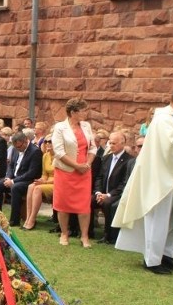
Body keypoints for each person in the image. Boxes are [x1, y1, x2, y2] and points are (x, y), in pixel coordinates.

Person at [113, 85, 173, 275]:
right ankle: (152, 259)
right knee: (158, 219)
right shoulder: (163, 120)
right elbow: (171, 147)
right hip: (159, 178)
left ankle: (167, 254)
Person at [52, 97, 97, 248]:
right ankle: (65, 233)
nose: (86, 112)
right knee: (63, 203)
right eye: (83, 110)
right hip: (65, 170)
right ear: (73, 112)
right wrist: (76, 166)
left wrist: (87, 164)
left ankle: (84, 236)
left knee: (84, 205)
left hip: (84, 171)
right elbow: (58, 152)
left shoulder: (86, 126)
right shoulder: (59, 127)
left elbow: (92, 148)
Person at [90, 131, 132, 244]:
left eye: (114, 143)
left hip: (116, 194)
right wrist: (98, 192)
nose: (111, 145)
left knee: (108, 203)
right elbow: (99, 176)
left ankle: (108, 235)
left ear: (122, 144)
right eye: (110, 143)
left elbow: (124, 183)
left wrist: (108, 195)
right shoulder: (107, 158)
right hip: (102, 193)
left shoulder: (129, 160)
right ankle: (88, 232)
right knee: (89, 200)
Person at [0, 131, 43, 227]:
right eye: (16, 147)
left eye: (19, 147)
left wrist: (13, 181)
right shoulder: (15, 149)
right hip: (14, 178)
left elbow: (31, 173)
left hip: (29, 181)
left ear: (25, 141)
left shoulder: (35, 151)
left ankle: (14, 220)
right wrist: (8, 177)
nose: (18, 149)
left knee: (15, 188)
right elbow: (11, 166)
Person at [22, 134, 54, 230]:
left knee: (38, 188)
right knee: (31, 186)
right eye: (46, 141)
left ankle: (32, 219)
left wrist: (45, 183)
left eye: (50, 141)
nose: (47, 143)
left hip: (58, 183)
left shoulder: (61, 157)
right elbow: (44, 174)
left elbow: (62, 177)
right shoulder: (45, 156)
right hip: (47, 181)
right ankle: (28, 218)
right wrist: (41, 180)